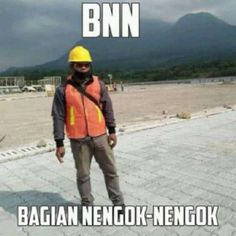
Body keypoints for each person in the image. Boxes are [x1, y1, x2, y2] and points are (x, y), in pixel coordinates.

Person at [51, 46, 124, 208]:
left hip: (100, 137)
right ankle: (87, 205)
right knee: (83, 175)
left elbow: (108, 107)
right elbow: (58, 116)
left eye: (86, 64)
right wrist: (59, 142)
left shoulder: (99, 84)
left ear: (90, 65)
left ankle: (118, 203)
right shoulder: (63, 89)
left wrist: (111, 131)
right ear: (72, 66)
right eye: (79, 64)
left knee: (111, 171)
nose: (83, 67)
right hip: (79, 140)